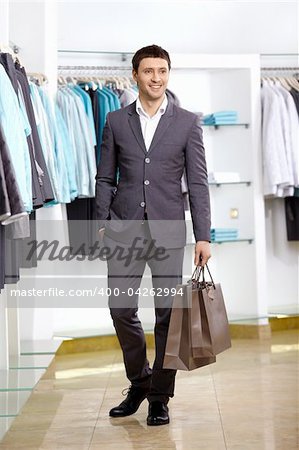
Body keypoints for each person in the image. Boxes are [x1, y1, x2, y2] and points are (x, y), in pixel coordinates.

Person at [95, 44, 211, 426]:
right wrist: (99, 221)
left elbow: (197, 181)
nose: (156, 78)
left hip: (169, 231)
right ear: (135, 75)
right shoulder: (114, 119)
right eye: (148, 71)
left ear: (168, 73)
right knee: (121, 309)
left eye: (162, 71)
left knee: (166, 316)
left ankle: (160, 397)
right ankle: (140, 380)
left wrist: (203, 235)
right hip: (124, 228)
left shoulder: (187, 121)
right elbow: (104, 177)